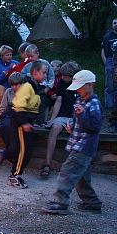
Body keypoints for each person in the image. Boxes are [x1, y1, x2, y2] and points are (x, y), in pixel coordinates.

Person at [42, 70, 103, 215]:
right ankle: (92, 202)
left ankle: (60, 203)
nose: (78, 90)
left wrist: (82, 116)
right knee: (81, 176)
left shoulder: (94, 103)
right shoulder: (80, 100)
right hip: (77, 142)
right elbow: (80, 123)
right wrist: (71, 127)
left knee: (67, 172)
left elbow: (94, 127)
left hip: (85, 145)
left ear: (90, 85)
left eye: (81, 87)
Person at [8, 60, 47, 188]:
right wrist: (24, 123)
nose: (45, 75)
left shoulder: (35, 87)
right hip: (20, 121)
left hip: (26, 121)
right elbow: (18, 106)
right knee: (22, 150)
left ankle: (16, 174)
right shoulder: (27, 87)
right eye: (44, 72)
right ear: (35, 72)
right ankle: (14, 175)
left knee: (27, 150)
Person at [40, 61, 81, 177]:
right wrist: (52, 119)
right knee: (55, 127)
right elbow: (58, 100)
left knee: (79, 132)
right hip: (63, 115)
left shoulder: (81, 84)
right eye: (61, 75)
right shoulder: (62, 83)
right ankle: (47, 164)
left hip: (77, 116)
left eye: (65, 76)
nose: (62, 77)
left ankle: (74, 167)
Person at [0, 72, 24, 168]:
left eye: (16, 84)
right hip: (9, 114)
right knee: (6, 126)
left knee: (17, 130)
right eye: (12, 84)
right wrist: (0, 117)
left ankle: (5, 153)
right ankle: (11, 154)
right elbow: (3, 107)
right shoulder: (8, 92)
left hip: (20, 115)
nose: (14, 87)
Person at [21, 44, 55, 125]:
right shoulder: (28, 66)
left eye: (32, 56)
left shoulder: (45, 63)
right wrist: (28, 75)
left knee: (42, 101)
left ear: (37, 53)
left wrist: (48, 87)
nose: (30, 58)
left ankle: (41, 121)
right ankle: (30, 120)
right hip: (32, 88)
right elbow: (22, 75)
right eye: (28, 57)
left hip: (43, 88)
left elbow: (52, 77)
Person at [0, 45, 19, 116]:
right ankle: (4, 116)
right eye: (7, 55)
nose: (10, 57)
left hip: (13, 87)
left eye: (11, 55)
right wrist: (7, 71)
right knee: (1, 90)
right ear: (1, 55)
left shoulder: (15, 63)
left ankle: (2, 117)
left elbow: (19, 77)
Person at [101, 18, 117, 109]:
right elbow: (103, 50)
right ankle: (109, 105)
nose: (116, 24)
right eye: (114, 23)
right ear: (112, 25)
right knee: (109, 84)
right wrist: (106, 63)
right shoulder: (108, 36)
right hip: (110, 60)